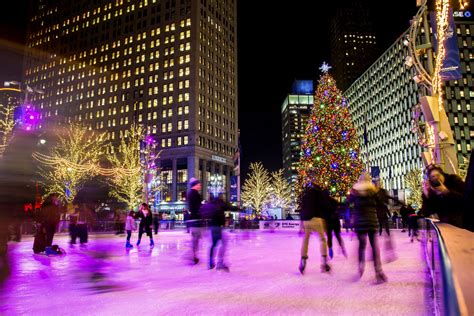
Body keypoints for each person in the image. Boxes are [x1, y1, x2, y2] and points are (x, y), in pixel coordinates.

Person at [348, 173, 387, 283]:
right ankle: (378, 270)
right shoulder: (373, 191)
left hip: (359, 223)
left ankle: (361, 265)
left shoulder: (354, 192)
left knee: (362, 245)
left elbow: (347, 203)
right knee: (374, 246)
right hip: (371, 222)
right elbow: (381, 203)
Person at [298, 183, 331, 274]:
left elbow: (302, 209)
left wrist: (301, 224)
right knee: (322, 239)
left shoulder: (305, 195)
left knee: (306, 240)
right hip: (317, 219)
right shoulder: (319, 193)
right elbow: (326, 205)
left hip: (306, 220)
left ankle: (303, 259)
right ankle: (324, 260)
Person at [201, 194, 230, 271]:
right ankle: (219, 262)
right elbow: (228, 207)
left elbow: (203, 212)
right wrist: (238, 208)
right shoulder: (219, 203)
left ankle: (211, 262)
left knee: (214, 244)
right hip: (218, 227)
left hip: (213, 226)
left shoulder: (210, 204)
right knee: (223, 243)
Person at [323, 190, 347, 259]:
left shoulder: (323, 203)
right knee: (337, 236)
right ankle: (342, 249)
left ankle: (330, 250)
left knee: (330, 237)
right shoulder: (332, 200)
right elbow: (340, 204)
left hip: (329, 223)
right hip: (335, 221)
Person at [187, 178, 203, 264]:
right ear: (195, 185)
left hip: (193, 219)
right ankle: (193, 255)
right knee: (196, 239)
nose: (200, 186)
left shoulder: (190, 193)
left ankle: (194, 254)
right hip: (196, 219)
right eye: (199, 184)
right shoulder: (195, 194)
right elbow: (198, 207)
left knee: (196, 238)